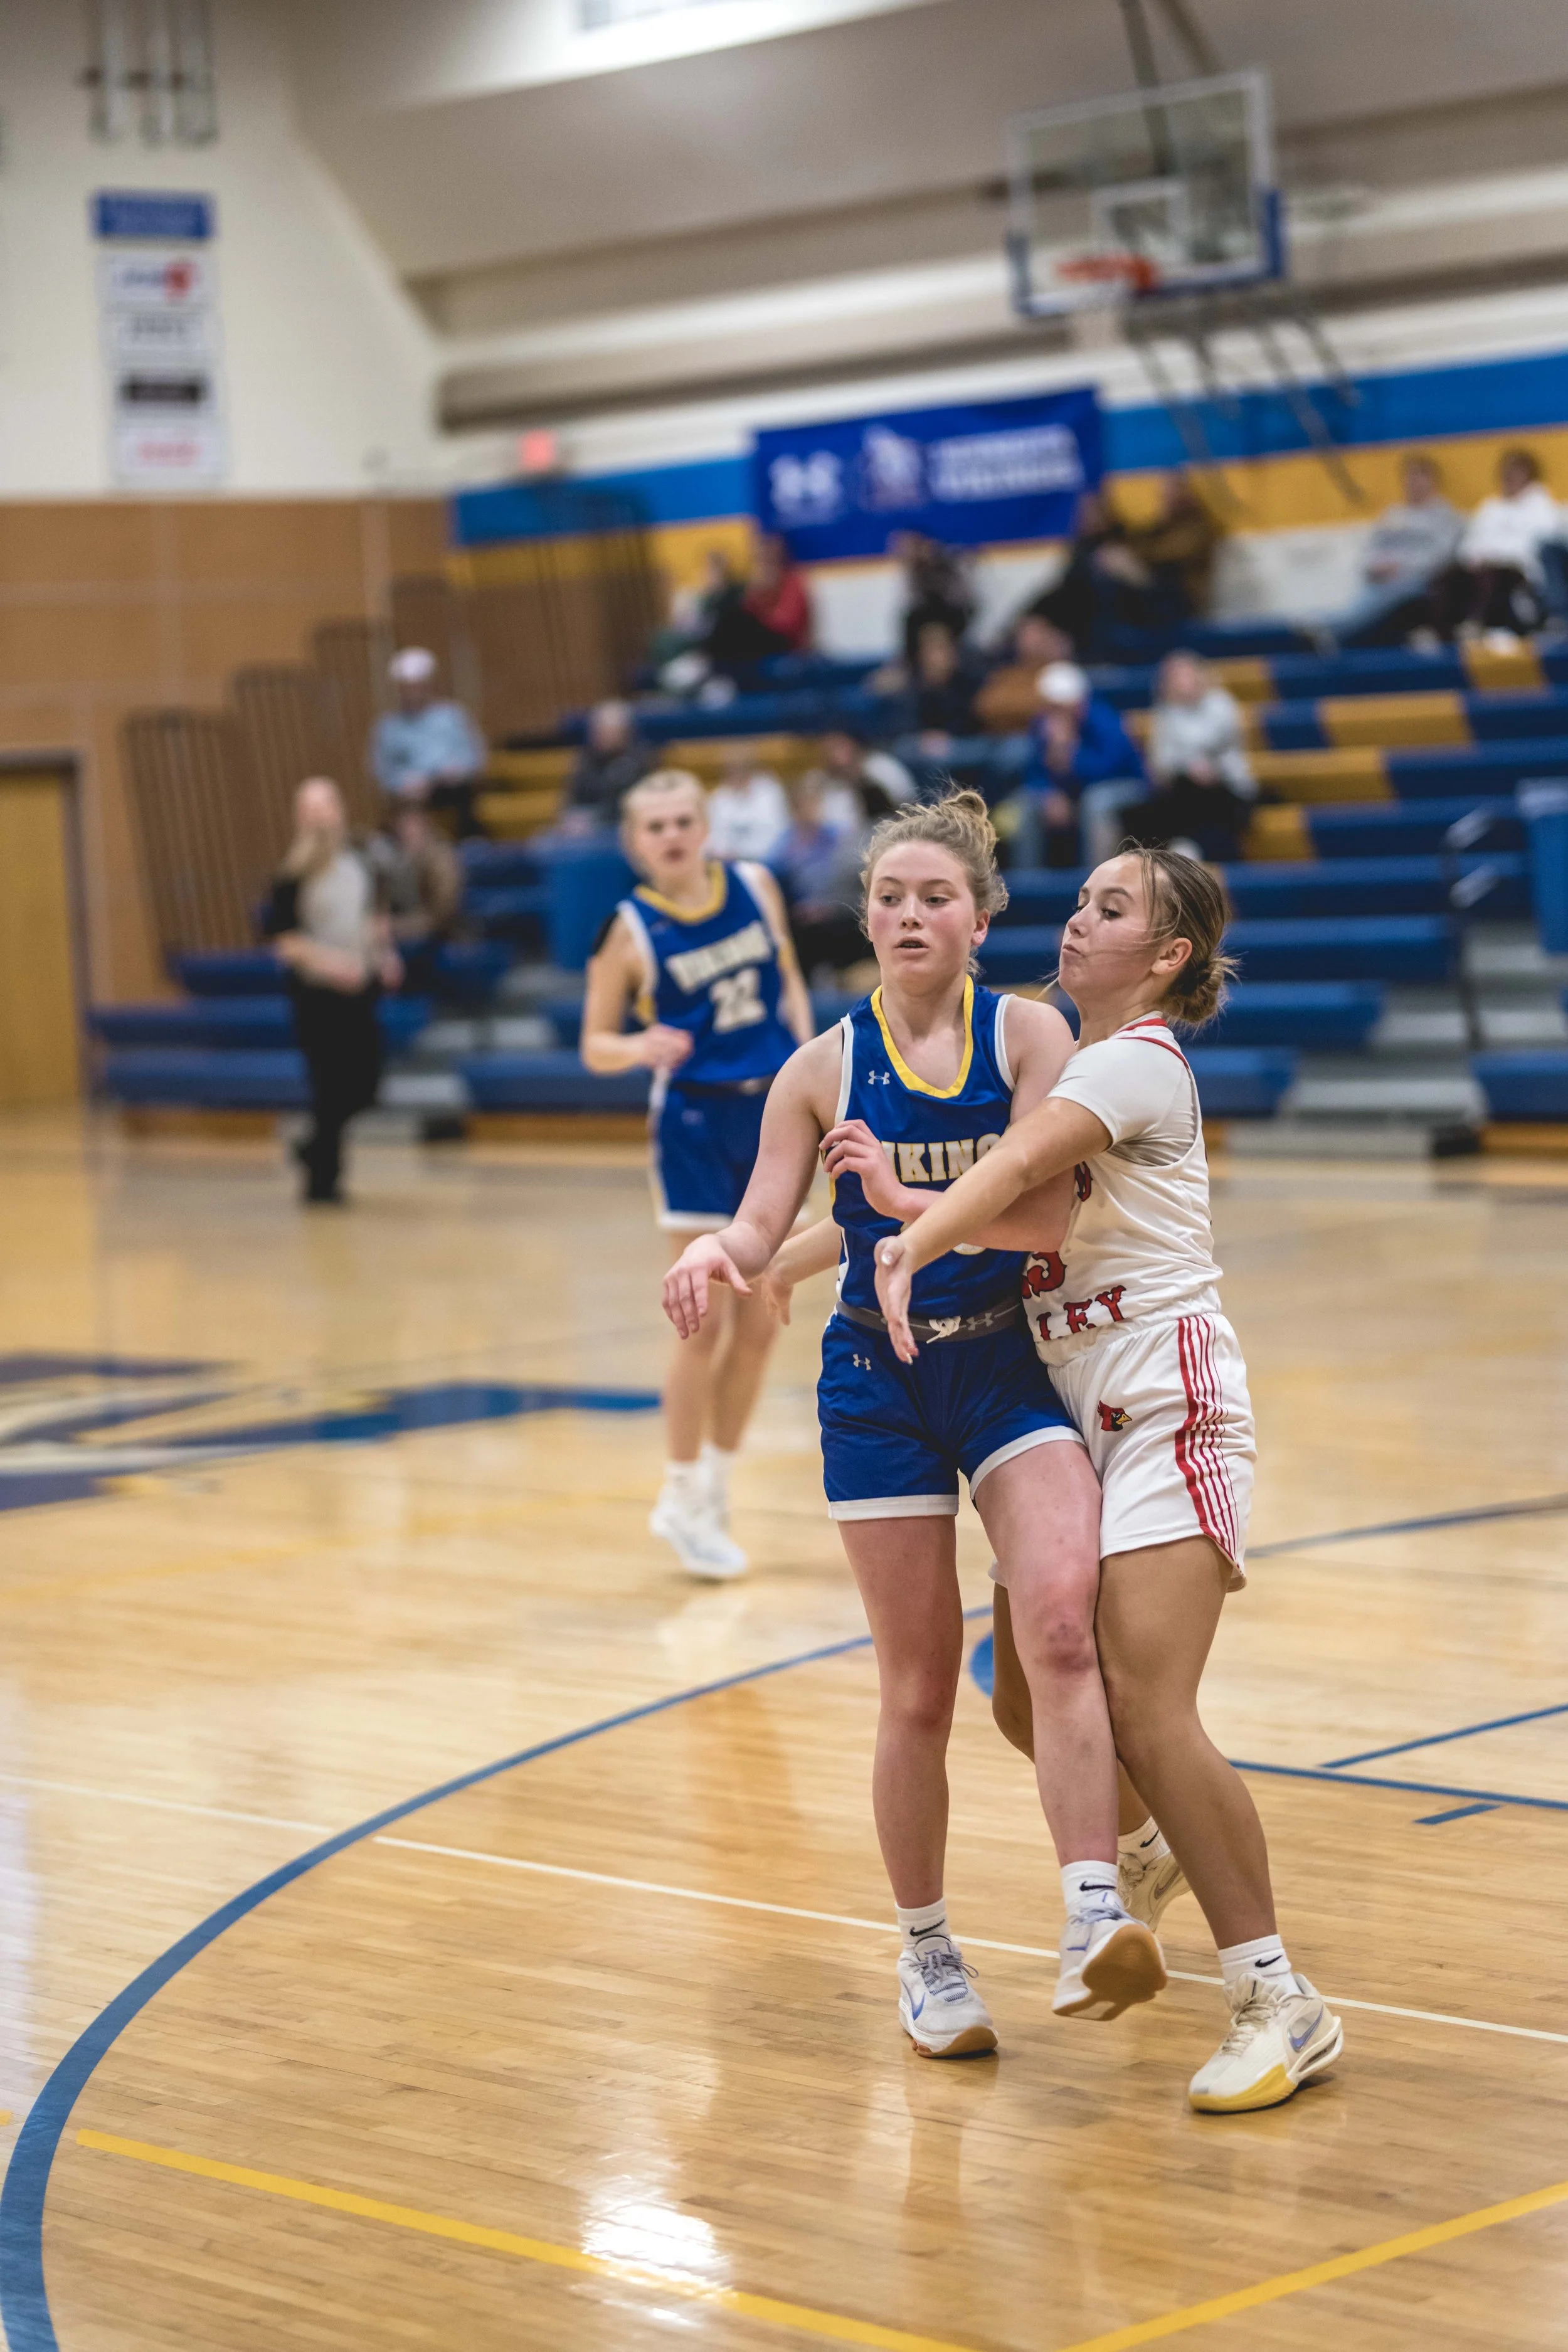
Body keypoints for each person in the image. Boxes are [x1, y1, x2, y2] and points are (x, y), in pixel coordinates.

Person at [664, 795, 1168, 2058]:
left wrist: (895, 1195)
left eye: (932, 896)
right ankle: (927, 1953)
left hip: (1000, 1366)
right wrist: (718, 1257)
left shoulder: (1028, 1037)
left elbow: (1043, 1222)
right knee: (917, 1690)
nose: (905, 914)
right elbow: (756, 1213)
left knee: (1058, 1622)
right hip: (873, 1389)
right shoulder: (819, 1067)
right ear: (865, 918)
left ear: (978, 921)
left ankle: (1089, 1909)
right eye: (886, 896)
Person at [872, 845, 1343, 2113]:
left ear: (1167, 954)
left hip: (1163, 1394)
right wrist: (782, 1246)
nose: (1078, 920)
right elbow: (954, 1188)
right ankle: (1143, 1851)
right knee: (1029, 1698)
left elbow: (1001, 1181)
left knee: (1144, 1702)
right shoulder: (1055, 1064)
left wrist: (910, 1232)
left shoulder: (1131, 1058)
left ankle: (1274, 1998)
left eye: (1112, 908)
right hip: (1069, 1404)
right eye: (1078, 900)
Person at [581, 770, 815, 1578]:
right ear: (633, 843)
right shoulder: (630, 929)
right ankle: (680, 1487)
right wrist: (636, 1047)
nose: (673, 835)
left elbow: (785, 979)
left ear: (707, 827)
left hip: (770, 1114)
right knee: (706, 1319)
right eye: (656, 826)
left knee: (759, 1321)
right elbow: (593, 1042)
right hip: (691, 1124)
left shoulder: (753, 885)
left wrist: (813, 1063)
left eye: (685, 820)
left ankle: (710, 1487)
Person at [262, 777, 401, 1206]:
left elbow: (373, 919)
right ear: (300, 817)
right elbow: (285, 944)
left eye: (328, 805)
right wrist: (331, 966)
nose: (322, 815)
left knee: (365, 1086)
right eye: (312, 808)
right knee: (330, 1088)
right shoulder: (291, 876)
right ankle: (323, 1183)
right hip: (317, 997)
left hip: (359, 992)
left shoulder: (360, 864)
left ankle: (310, 1147)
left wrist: (384, 955)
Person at [1309, 454, 1463, 653]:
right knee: (1360, 603)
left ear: (1432, 481)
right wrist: (1373, 566)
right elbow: (1368, 551)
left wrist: (1400, 566)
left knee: (1377, 604)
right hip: (1381, 580)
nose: (1414, 483)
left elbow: (1441, 557)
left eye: (1419, 477)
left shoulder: (1445, 516)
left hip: (1417, 583)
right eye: (1410, 477)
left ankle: (1331, 635)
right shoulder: (1392, 514)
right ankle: (1330, 633)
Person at [1120, 650, 1257, 865]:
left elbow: (1216, 743)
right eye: (1173, 678)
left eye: (1184, 675)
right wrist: (1187, 766)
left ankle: (1196, 855)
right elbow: (1161, 761)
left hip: (1226, 786)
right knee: (1140, 813)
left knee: (1198, 803)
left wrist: (1192, 763)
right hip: (1185, 787)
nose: (1179, 682)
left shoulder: (1221, 704)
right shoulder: (1165, 713)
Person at [1008, 661, 1145, 869]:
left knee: (1096, 801)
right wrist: (1048, 794)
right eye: (1050, 706)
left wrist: (1070, 753)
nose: (1054, 712)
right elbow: (1034, 772)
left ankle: (1094, 879)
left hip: (1126, 785)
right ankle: (1029, 882)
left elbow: (1111, 768)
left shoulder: (1103, 719)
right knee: (1028, 807)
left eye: (1059, 706)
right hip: (1071, 794)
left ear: (1077, 703)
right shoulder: (1042, 724)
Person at [1431, 447, 1560, 646]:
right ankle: (1440, 633)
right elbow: (1469, 543)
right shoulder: (1489, 507)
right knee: (1447, 576)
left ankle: (1476, 624)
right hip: (1481, 567)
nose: (1510, 477)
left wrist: (1494, 557)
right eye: (1507, 472)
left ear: (1530, 475)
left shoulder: (1542, 507)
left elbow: (1538, 548)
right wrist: (1475, 558)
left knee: (1492, 576)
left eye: (1517, 472)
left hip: (1519, 572)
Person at [370, 648, 488, 839]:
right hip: (414, 796)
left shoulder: (452, 716)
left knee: (467, 801)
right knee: (403, 811)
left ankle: (471, 850)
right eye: (407, 687)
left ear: (428, 685)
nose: (412, 692)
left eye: (417, 686)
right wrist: (404, 782)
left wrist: (460, 770)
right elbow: (383, 771)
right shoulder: (388, 727)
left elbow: (475, 757)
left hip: (453, 789)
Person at [770, 771, 868, 981]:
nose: (812, 809)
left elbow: (853, 880)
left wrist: (829, 906)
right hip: (802, 917)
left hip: (841, 910)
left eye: (815, 802)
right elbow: (775, 878)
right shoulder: (785, 845)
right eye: (805, 804)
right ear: (794, 808)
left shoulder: (840, 836)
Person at [560, 700, 652, 834]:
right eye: (600, 731)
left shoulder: (641, 761)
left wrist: (595, 818)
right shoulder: (585, 762)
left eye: (610, 731)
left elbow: (636, 803)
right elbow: (573, 800)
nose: (603, 736)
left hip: (626, 825)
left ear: (625, 732)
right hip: (589, 826)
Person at [975, 614, 1074, 734]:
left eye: (1036, 634)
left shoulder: (1061, 674)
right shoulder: (1007, 675)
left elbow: (1064, 709)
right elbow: (986, 708)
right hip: (1002, 739)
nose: (1029, 641)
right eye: (1025, 634)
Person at [895, 532, 975, 667]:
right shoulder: (915, 569)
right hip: (927, 613)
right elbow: (913, 599)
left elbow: (962, 596)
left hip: (952, 611)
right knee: (911, 619)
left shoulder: (948, 561)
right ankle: (910, 663)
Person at [704, 749, 790, 864]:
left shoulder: (769, 791)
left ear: (751, 768)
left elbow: (782, 831)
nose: (738, 774)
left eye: (742, 768)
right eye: (733, 770)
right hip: (731, 865)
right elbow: (713, 840)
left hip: (769, 862)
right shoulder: (717, 799)